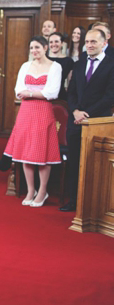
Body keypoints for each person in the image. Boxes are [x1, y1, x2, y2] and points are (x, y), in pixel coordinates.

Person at [3, 36, 62, 207]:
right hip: (26, 112)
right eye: (31, 48)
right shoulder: (25, 66)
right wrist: (32, 93)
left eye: (37, 47)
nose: (34, 51)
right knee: (25, 152)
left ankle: (42, 191)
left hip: (43, 111)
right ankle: (30, 190)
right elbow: (18, 90)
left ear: (45, 48)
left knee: (42, 152)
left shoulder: (55, 67)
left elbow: (52, 92)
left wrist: (29, 93)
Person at [60, 29, 114, 212]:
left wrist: (86, 113)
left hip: (98, 122)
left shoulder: (111, 64)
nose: (89, 45)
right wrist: (75, 111)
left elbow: (110, 97)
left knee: (95, 164)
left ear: (104, 43)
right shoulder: (80, 62)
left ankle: (93, 205)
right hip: (75, 122)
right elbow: (72, 91)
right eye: (87, 42)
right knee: (75, 162)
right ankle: (74, 201)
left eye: (94, 42)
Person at [47, 32, 74, 99]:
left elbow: (71, 83)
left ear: (62, 43)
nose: (53, 44)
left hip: (61, 96)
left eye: (56, 41)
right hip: (44, 95)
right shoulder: (44, 59)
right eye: (51, 42)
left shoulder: (68, 61)